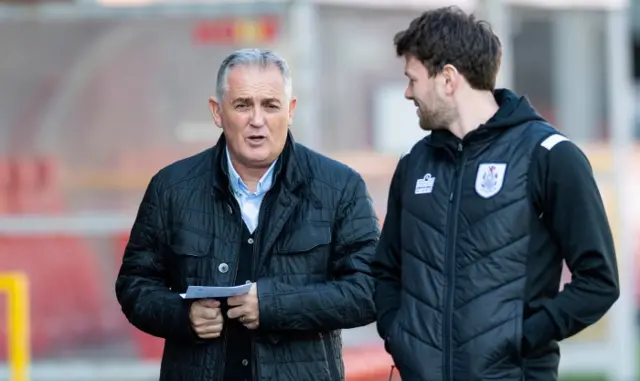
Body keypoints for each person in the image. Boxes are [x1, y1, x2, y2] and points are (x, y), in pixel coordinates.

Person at [372, 6, 620, 381]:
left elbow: (599, 281)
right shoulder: (414, 165)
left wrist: (522, 338)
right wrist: (398, 334)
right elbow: (385, 271)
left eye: (413, 79)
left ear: (448, 79)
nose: (408, 93)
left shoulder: (550, 155)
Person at [115, 48, 379, 381]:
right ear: (217, 111)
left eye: (270, 105)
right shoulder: (171, 188)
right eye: (243, 105)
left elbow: (371, 289)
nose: (257, 120)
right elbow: (134, 284)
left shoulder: (339, 187)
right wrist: (182, 316)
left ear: (291, 110)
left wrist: (273, 305)